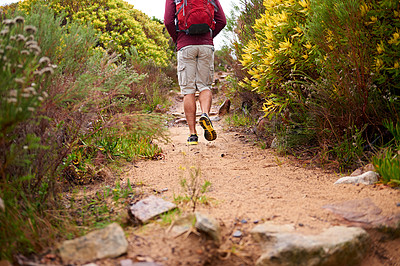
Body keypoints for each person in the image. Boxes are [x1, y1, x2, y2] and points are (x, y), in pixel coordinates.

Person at [164, 0, 226, 145]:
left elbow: (167, 21)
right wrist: (209, 36)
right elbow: (222, 20)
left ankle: (193, 135)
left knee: (188, 90)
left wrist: (178, 39)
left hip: (185, 45)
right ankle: (205, 114)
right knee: (205, 86)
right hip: (205, 45)